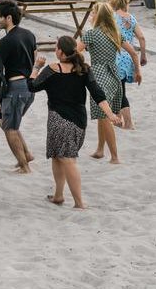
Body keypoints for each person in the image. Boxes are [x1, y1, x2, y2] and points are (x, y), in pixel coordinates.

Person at [30, 35, 113, 209]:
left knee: (67, 158)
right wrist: (110, 114)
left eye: (56, 47)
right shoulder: (83, 69)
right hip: (79, 121)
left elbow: (32, 87)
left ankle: (79, 203)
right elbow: (97, 93)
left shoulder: (52, 69)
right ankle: (59, 195)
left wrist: (36, 68)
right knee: (57, 156)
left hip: (59, 120)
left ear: (60, 51)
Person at [0, 0, 38, 174]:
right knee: (13, 123)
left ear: (9, 18)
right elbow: (35, 57)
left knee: (9, 127)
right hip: (29, 85)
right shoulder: (29, 34)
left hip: (15, 87)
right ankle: (26, 154)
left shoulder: (6, 41)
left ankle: (24, 166)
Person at [83, 2, 129, 163]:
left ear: (99, 15)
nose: (91, 15)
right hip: (114, 75)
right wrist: (137, 69)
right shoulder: (115, 33)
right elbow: (133, 53)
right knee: (103, 114)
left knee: (104, 115)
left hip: (99, 75)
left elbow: (74, 51)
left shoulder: (91, 34)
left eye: (93, 13)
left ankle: (115, 157)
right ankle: (100, 150)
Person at [106, 0, 147, 124]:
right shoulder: (131, 18)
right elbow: (141, 37)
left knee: (119, 92)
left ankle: (128, 123)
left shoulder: (111, 17)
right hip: (128, 57)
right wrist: (143, 56)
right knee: (119, 89)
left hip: (115, 57)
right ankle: (117, 120)